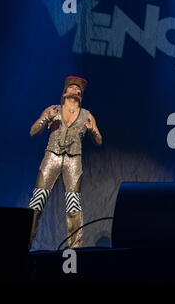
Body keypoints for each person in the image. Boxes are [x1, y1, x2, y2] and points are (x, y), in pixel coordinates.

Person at [27, 76, 102, 249]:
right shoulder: (53, 109)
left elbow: (99, 140)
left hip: (73, 161)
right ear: (65, 91)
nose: (77, 89)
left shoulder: (87, 115)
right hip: (51, 158)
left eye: (79, 88)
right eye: (73, 86)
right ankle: (24, 245)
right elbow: (33, 131)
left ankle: (75, 250)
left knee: (73, 205)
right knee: (37, 202)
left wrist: (92, 132)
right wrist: (46, 118)